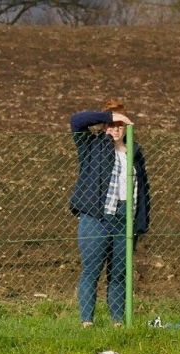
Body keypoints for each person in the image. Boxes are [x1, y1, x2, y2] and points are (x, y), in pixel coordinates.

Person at [69, 99, 151, 328]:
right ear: (104, 125)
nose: (115, 129)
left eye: (119, 125)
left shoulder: (134, 151)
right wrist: (108, 117)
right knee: (91, 270)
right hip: (97, 217)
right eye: (111, 124)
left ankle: (117, 323)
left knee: (119, 275)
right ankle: (87, 322)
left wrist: (140, 223)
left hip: (126, 220)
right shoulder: (92, 145)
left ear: (127, 127)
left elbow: (143, 189)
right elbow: (76, 121)